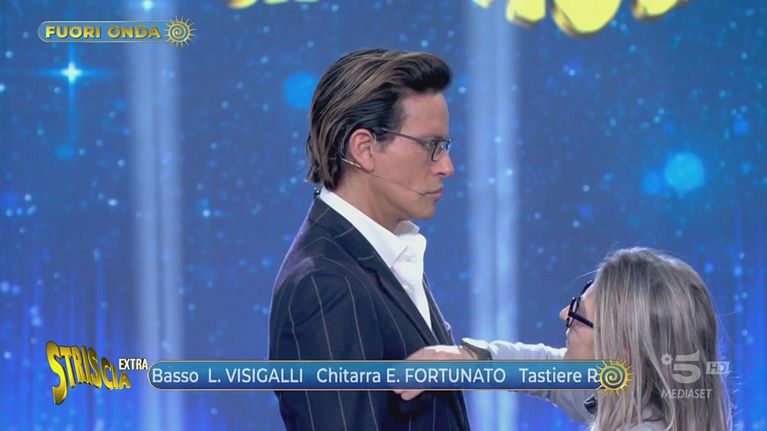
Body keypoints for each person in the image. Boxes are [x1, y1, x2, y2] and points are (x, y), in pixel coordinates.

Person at [268, 48, 470, 430]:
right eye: (432, 147)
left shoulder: (380, 256)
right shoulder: (325, 283)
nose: (447, 167)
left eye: (446, 147)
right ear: (364, 149)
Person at [396, 247, 732, 431]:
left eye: (579, 316)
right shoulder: (628, 394)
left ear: (622, 351)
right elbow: (546, 370)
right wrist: (472, 359)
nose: (563, 314)